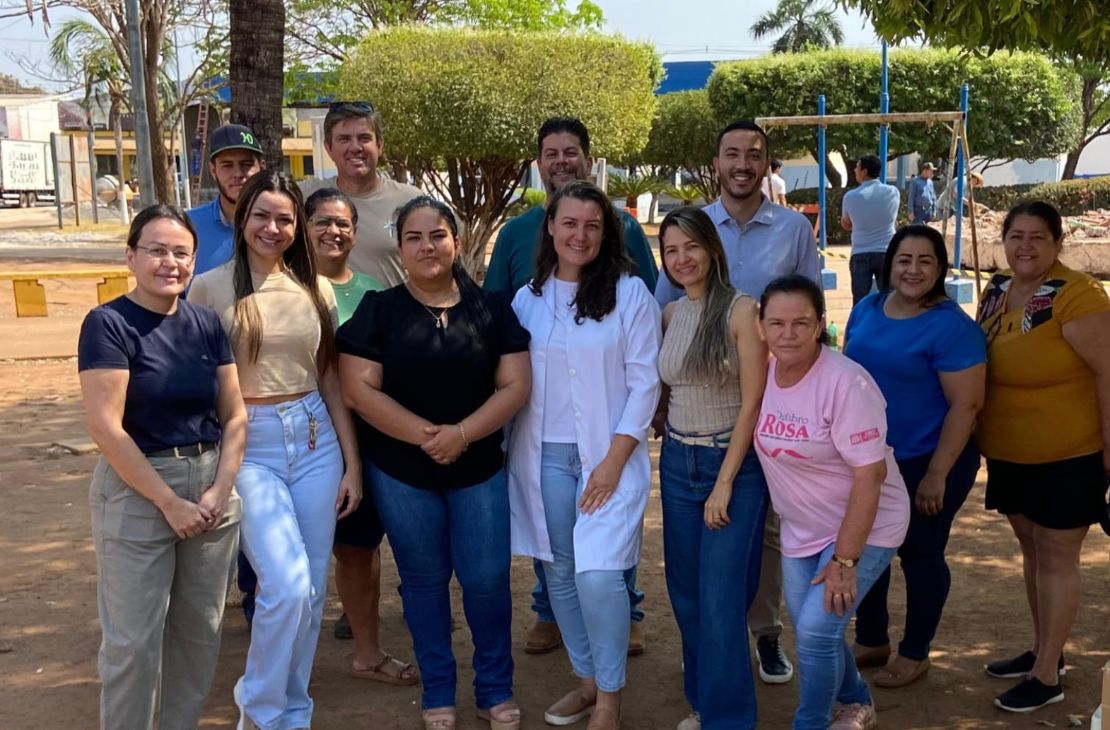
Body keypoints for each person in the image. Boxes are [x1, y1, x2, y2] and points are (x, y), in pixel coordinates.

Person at [337, 196, 531, 730]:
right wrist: (430, 438)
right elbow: (358, 389)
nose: (427, 246)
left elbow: (516, 384)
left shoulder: (492, 308)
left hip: (479, 469)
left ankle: (494, 689)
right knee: (423, 583)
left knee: (488, 580)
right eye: (414, 238)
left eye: (438, 235)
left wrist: (462, 435)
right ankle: (438, 690)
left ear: (458, 242)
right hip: (402, 473)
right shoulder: (380, 310)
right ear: (400, 249)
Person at [188, 171, 362, 730]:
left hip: (314, 439)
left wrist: (352, 464)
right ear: (243, 220)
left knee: (311, 592)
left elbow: (330, 379)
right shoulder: (210, 288)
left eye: (285, 218)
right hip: (250, 440)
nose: (273, 227)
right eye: (261, 215)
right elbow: (200, 382)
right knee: (284, 587)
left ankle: (292, 710)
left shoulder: (317, 289)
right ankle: (261, 712)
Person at [656, 119, 821, 686]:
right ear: (718, 162)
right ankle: (716, 662)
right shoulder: (695, 228)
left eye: (754, 154)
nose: (743, 163)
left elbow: (810, 310)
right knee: (709, 563)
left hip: (773, 404)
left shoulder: (793, 230)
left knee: (767, 535)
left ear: (767, 163)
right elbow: (670, 318)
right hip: (702, 420)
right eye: (732, 154)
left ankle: (765, 633)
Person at [484, 116, 657, 656]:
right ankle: (572, 643)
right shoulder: (523, 284)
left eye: (571, 151)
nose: (579, 235)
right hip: (545, 444)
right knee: (558, 560)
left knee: (602, 567)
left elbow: (642, 359)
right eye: (551, 152)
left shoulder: (627, 269)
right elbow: (498, 335)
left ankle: (618, 625)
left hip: (607, 440)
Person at [78, 204, 247, 729]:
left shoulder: (205, 323)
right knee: (133, 643)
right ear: (131, 256)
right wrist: (169, 502)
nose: (169, 262)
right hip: (139, 491)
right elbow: (107, 428)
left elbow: (235, 413)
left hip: (210, 487)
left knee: (200, 633)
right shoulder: (108, 324)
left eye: (181, 252)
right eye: (156, 250)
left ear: (194, 261)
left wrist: (221, 488)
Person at [508, 180, 661, 730]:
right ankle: (587, 681)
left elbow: (645, 383)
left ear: (607, 233)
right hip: (544, 455)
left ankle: (611, 700)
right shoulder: (528, 297)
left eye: (592, 226)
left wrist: (615, 460)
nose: (580, 235)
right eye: (569, 223)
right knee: (560, 574)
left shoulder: (630, 293)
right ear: (550, 227)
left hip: (607, 455)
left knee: (600, 576)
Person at [755, 274, 910, 730]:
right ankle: (857, 700)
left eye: (801, 323)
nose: (788, 334)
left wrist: (845, 558)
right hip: (802, 527)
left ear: (822, 323)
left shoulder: (846, 382)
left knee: (818, 632)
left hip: (867, 524)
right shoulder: (763, 371)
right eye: (776, 323)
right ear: (761, 325)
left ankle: (811, 722)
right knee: (811, 627)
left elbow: (871, 475)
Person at [976, 201, 1110, 713]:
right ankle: (1042, 650)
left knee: (1056, 557)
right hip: (1011, 452)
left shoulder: (1078, 295)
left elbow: (1107, 373)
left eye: (1037, 237)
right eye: (1016, 236)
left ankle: (1048, 672)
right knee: (1032, 551)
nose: (1025, 246)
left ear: (1057, 244)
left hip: (1068, 453)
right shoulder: (997, 291)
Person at [844, 225, 986, 688]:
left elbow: (966, 405)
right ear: (889, 264)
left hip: (929, 459)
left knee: (921, 553)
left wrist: (937, 474)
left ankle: (915, 651)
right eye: (904, 259)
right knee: (866, 549)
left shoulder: (952, 327)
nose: (913, 270)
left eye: (926, 261)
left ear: (941, 269)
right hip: (870, 459)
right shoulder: (866, 307)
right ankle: (872, 638)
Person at [655, 206, 770, 730]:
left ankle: (728, 719)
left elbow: (753, 401)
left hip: (732, 463)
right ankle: (704, 702)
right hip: (678, 461)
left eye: (691, 247)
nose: (682, 259)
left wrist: (724, 482)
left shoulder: (742, 311)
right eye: (671, 250)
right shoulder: (672, 315)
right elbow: (667, 390)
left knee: (721, 599)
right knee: (687, 595)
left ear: (712, 250)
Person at [304, 187, 418, 685]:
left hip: (378, 439)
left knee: (387, 542)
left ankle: (375, 646)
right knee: (349, 549)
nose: (334, 232)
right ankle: (362, 649)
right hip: (316, 441)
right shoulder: (288, 289)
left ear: (356, 231)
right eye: (322, 222)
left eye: (343, 223)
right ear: (304, 230)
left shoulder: (376, 291)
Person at [300, 101, 422, 288]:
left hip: (394, 316)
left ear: (379, 145)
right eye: (344, 139)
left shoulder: (411, 202)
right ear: (328, 148)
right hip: (322, 315)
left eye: (364, 138)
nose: (355, 147)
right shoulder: (303, 197)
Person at [186, 123, 265, 277]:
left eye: (247, 164)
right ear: (213, 170)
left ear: (261, 167)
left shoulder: (281, 226)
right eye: (227, 165)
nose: (238, 173)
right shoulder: (188, 225)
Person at [840, 154, 900, 305]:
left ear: (864, 172)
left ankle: (860, 327)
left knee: (860, 300)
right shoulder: (893, 192)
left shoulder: (850, 196)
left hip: (860, 251)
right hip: (887, 250)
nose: (854, 170)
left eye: (857, 167)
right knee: (890, 298)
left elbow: (847, 224)